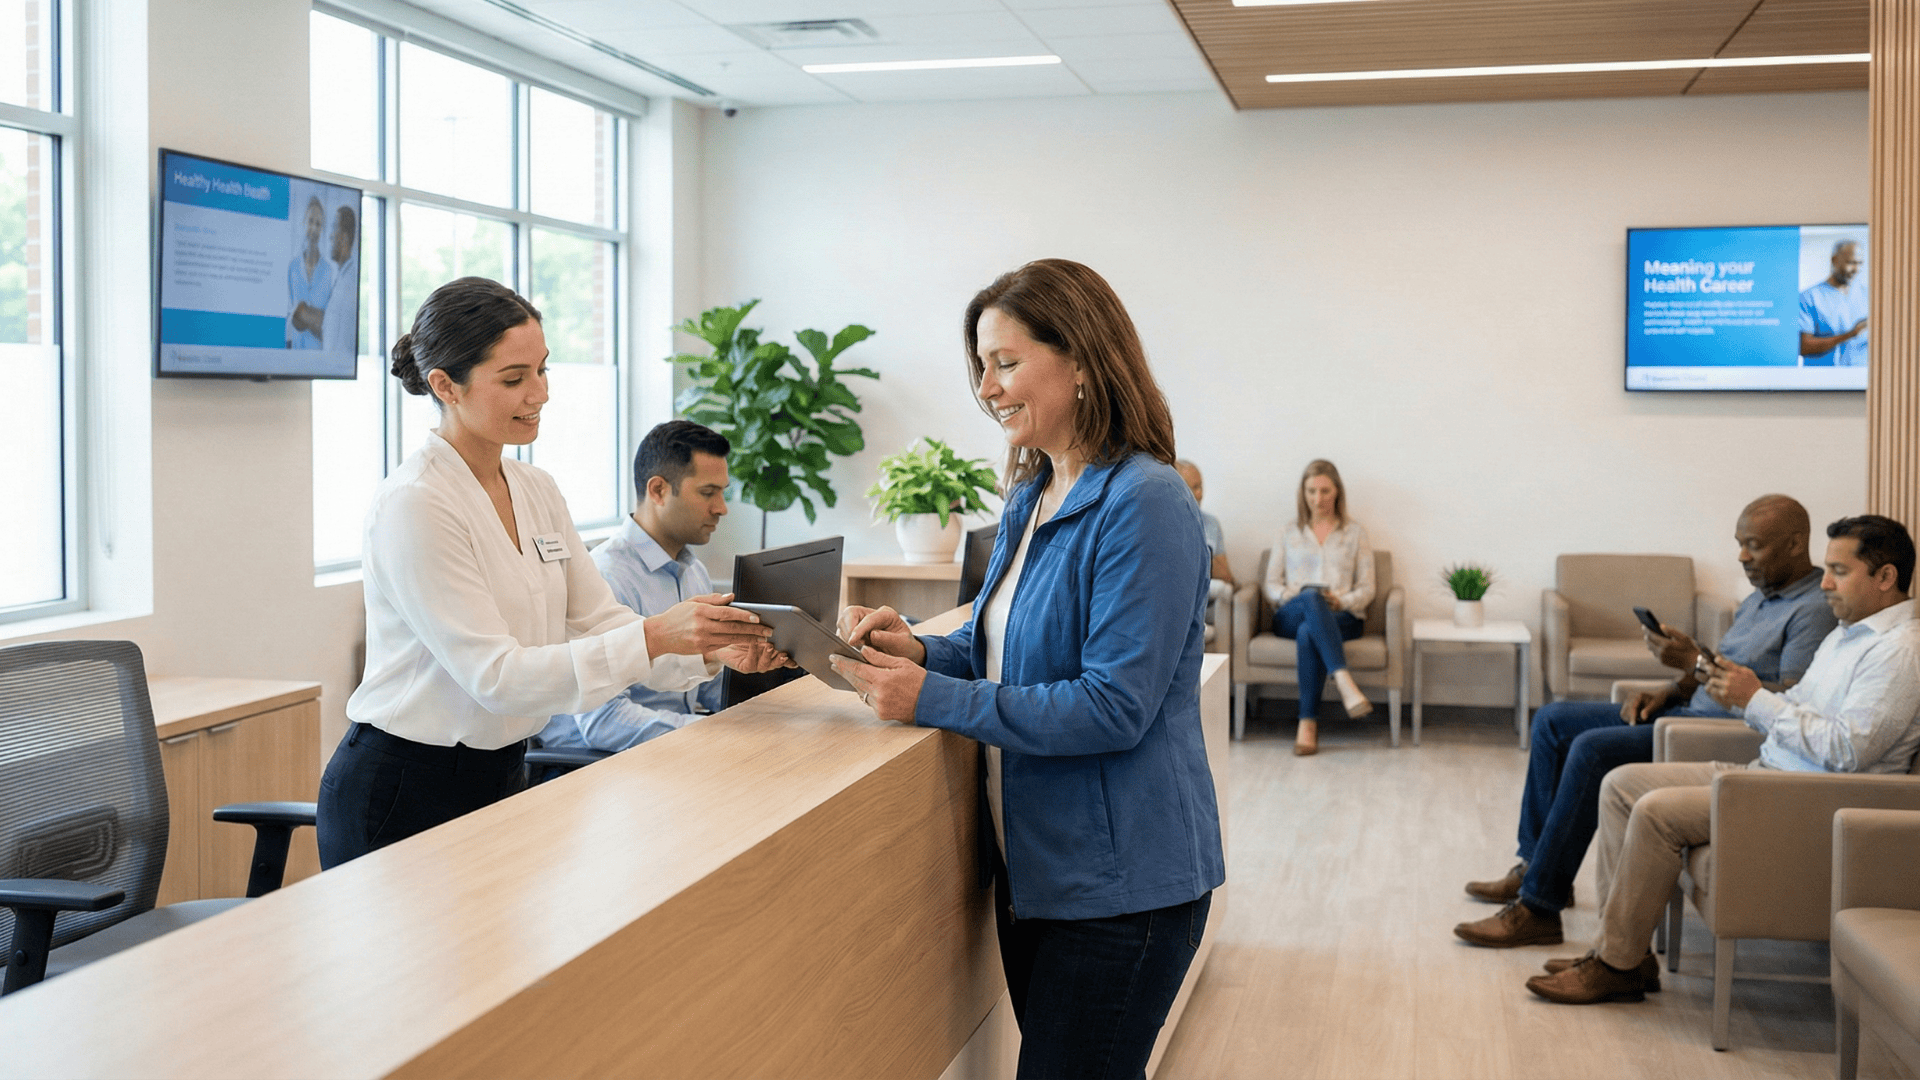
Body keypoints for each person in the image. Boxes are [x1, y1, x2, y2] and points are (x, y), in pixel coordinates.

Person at [828, 258, 1224, 1080]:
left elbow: (1113, 705)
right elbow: (995, 645)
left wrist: (931, 696)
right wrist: (922, 650)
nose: (986, 386)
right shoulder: (1032, 495)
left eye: (1005, 362)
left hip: (1123, 891)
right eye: (981, 366)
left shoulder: (1145, 501)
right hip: (1038, 875)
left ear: (1081, 361)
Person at [317, 277, 779, 869]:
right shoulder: (415, 503)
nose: (540, 393)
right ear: (444, 386)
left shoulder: (537, 489)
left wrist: (710, 653)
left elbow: (599, 621)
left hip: (503, 772)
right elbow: (498, 676)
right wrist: (661, 634)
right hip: (402, 786)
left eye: (543, 370)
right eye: (514, 379)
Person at [1527, 514, 1920, 1004]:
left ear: (1885, 578)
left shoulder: (1900, 652)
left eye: (1839, 571)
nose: (1824, 582)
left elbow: (1848, 751)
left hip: (1810, 798)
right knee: (1623, 784)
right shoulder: (1848, 635)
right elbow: (1802, 708)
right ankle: (1622, 953)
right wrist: (1736, 687)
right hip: (1768, 774)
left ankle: (1615, 965)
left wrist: (1755, 699)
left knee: (1655, 812)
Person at [1454, 494, 1835, 949]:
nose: (1742, 556)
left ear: (1795, 544)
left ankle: (1539, 906)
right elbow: (1722, 667)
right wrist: (1669, 689)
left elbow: (1790, 702)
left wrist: (1694, 661)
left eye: (1754, 545)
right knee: (1553, 721)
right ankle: (1534, 865)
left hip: (1721, 737)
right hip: (1688, 711)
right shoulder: (1760, 598)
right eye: (1739, 543)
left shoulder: (1813, 609)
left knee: (1592, 749)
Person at [539, 420, 785, 753]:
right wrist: (712, 736)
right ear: (658, 491)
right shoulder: (606, 576)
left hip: (673, 749)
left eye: (723, 491)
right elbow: (603, 723)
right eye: (707, 492)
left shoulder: (692, 570)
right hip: (602, 764)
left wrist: (765, 696)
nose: (722, 508)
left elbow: (704, 691)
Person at [1263, 459, 1375, 755]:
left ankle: (1307, 724)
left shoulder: (1356, 534)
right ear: (1303, 493)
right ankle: (1343, 679)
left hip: (1342, 616)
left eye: (1325, 491)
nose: (1318, 499)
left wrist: (1342, 600)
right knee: (1311, 598)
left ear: (1337, 492)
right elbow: (1271, 585)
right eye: (1311, 491)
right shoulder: (1289, 532)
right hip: (1292, 611)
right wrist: (1298, 597)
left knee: (1307, 632)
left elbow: (1367, 588)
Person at [1176, 459, 1234, 640]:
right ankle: (1194, 627)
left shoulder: (1211, 524)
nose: (1199, 494)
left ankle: (1193, 627)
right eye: (1192, 488)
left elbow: (1225, 576)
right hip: (1175, 589)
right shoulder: (1162, 523)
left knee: (1225, 589)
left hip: (1203, 592)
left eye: (1200, 486)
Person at [1799, 239, 1869, 368]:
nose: (1856, 269)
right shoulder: (1809, 297)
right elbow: (1803, 347)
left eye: (1860, 263)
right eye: (1851, 263)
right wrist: (1850, 335)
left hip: (1861, 380)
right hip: (1822, 381)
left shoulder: (1868, 296)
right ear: (1834, 260)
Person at [286, 196, 333, 350]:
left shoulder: (329, 271)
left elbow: (330, 322)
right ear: (304, 223)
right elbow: (289, 314)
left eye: (318, 224)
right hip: (295, 354)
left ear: (322, 229)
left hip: (319, 356)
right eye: (310, 221)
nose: (313, 228)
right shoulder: (292, 267)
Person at [317, 203, 358, 356]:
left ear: (345, 237)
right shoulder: (341, 278)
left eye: (334, 227)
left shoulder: (351, 283)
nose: (330, 236)